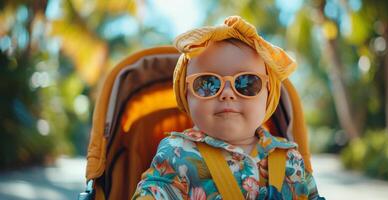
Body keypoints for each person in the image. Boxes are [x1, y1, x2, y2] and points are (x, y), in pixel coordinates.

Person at [132, 16, 324, 200]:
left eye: (247, 83)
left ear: (268, 94)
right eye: (207, 83)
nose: (227, 93)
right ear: (186, 95)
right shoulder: (175, 152)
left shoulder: (291, 157)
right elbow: (155, 190)